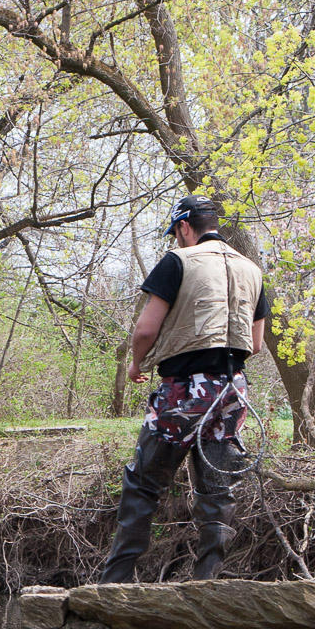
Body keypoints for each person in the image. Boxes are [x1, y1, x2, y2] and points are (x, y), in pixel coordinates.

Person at [100, 194, 268, 583]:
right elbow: (255, 345)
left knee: (143, 483)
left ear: (185, 227)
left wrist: (137, 363)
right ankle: (205, 580)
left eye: (177, 233)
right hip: (233, 391)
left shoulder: (179, 261)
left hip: (184, 390)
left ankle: (114, 584)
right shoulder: (253, 270)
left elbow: (145, 329)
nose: (177, 240)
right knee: (217, 488)